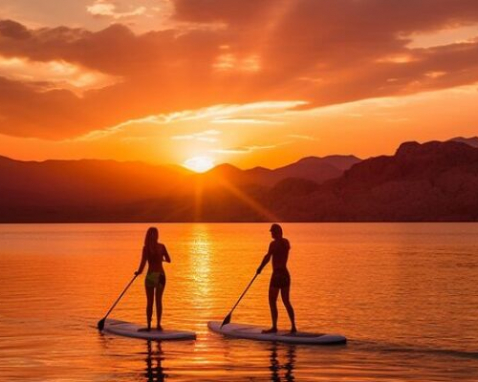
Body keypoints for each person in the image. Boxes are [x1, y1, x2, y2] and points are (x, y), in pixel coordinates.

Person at [257, 223, 297, 334]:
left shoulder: (273, 244)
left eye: (273, 232)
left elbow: (268, 257)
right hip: (285, 274)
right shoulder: (286, 242)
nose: (271, 234)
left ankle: (274, 327)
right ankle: (293, 327)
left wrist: (260, 268)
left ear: (277, 232)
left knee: (272, 300)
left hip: (277, 275)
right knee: (286, 301)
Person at [135, 227, 171, 331]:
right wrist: (161, 259)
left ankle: (149, 326)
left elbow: (143, 263)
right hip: (161, 276)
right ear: (157, 235)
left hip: (151, 276)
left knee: (150, 302)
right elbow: (169, 260)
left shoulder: (146, 248)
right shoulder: (162, 246)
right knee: (158, 301)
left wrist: (138, 272)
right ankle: (159, 325)